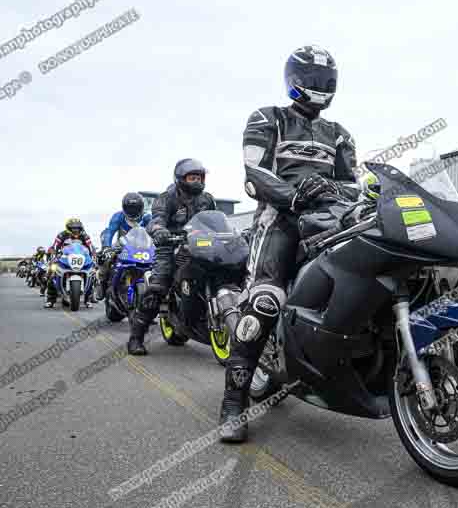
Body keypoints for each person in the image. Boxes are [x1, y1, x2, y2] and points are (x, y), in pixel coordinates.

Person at [218, 45, 360, 443]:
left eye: (326, 82)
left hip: (330, 223)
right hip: (279, 221)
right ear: (293, 81)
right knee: (265, 301)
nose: (320, 88)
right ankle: (233, 403)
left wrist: (331, 187)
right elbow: (254, 173)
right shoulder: (268, 118)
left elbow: (353, 185)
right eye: (313, 81)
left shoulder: (340, 134)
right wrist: (295, 196)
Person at [125, 159, 216, 355]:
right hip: (172, 245)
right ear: (180, 179)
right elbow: (156, 220)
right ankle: (136, 337)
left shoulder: (206, 199)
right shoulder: (166, 198)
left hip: (202, 246)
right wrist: (159, 230)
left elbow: (215, 220)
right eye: (192, 177)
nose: (197, 181)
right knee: (158, 286)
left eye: (199, 177)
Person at [96, 192, 152, 301]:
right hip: (121, 247)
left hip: (143, 248)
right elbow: (109, 231)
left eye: (136, 208)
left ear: (141, 207)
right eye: (130, 208)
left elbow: (154, 231)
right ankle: (102, 284)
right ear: (124, 208)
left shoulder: (147, 218)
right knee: (103, 259)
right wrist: (106, 247)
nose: (133, 211)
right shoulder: (118, 216)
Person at [44, 218, 96, 308]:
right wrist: (53, 254)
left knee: (93, 275)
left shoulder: (84, 235)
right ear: (68, 228)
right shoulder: (62, 235)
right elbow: (55, 246)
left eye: (78, 228)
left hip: (81, 259)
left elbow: (91, 247)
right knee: (52, 274)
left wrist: (94, 256)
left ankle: (88, 299)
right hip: (65, 258)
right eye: (73, 228)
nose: (76, 230)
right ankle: (50, 300)